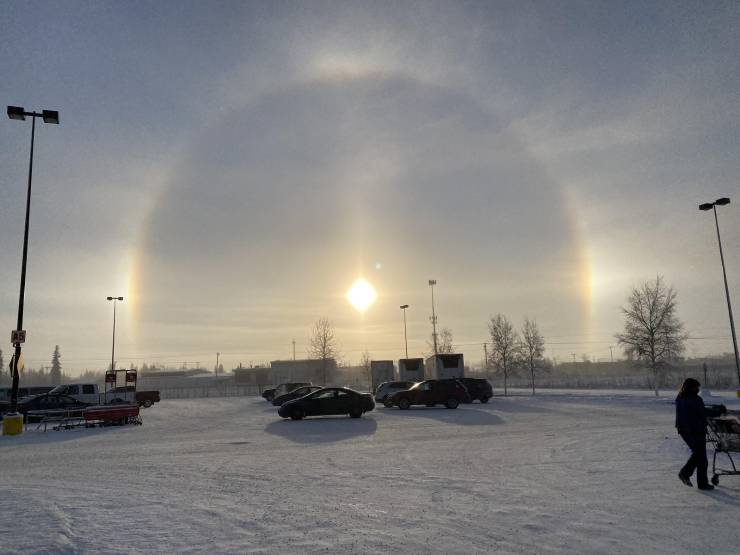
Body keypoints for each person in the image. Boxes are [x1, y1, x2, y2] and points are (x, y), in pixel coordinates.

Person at [675, 378, 725, 490]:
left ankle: (702, 483)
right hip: (695, 430)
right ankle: (685, 473)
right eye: (697, 387)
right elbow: (703, 412)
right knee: (699, 455)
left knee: (700, 457)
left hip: (684, 430)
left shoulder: (680, 397)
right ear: (691, 387)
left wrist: (714, 409)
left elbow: (698, 410)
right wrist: (719, 411)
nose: (698, 389)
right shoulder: (695, 399)